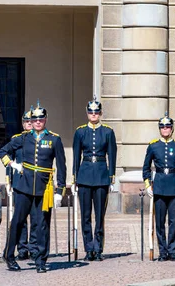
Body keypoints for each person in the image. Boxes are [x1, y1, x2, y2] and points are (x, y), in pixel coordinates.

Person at [0, 100, 66, 273]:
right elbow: (3, 151)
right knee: (17, 223)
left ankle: (41, 260)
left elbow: (62, 166)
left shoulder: (54, 139)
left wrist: (59, 191)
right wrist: (13, 165)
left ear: (45, 120)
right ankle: (9, 255)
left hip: (44, 188)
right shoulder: (23, 138)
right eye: (34, 119)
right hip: (24, 186)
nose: (37, 122)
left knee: (42, 224)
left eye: (40, 119)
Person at [72, 97, 117, 261]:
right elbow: (76, 156)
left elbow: (112, 155)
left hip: (101, 176)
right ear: (87, 113)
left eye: (96, 112)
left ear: (101, 114)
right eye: (91, 112)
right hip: (84, 176)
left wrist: (111, 177)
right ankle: (88, 249)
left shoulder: (107, 132)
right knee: (85, 216)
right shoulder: (80, 131)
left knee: (99, 216)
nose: (93, 114)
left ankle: (98, 249)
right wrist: (74, 178)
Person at [143, 112, 175, 262]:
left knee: (174, 222)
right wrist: (148, 184)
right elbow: (146, 168)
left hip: (174, 186)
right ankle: (162, 252)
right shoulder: (153, 146)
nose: (165, 129)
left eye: (168, 127)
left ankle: (173, 251)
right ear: (159, 129)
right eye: (162, 127)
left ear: (172, 129)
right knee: (160, 222)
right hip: (160, 186)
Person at [11, 108, 37, 260]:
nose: (29, 124)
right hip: (19, 182)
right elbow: (11, 158)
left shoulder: (38, 139)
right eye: (26, 122)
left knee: (35, 217)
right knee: (20, 218)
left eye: (30, 121)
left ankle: (33, 247)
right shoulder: (17, 138)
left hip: (34, 182)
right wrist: (9, 180)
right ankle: (22, 248)